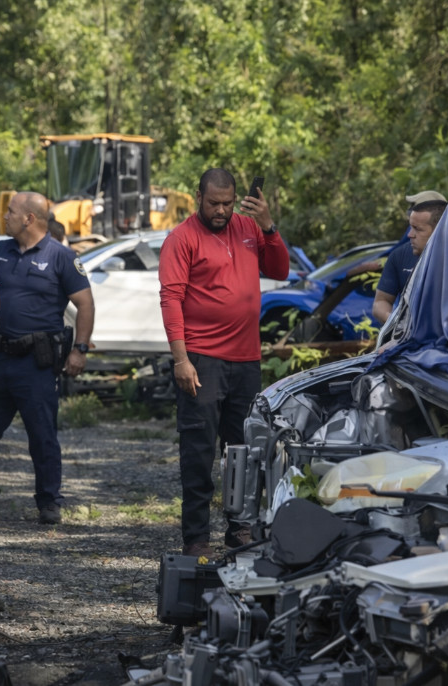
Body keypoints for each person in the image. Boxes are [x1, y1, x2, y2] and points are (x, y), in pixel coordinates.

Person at [158, 169, 290, 558]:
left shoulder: (249, 228)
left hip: (246, 359)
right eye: (214, 203)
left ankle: (239, 528)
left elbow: (280, 269)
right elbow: (171, 300)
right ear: (198, 196)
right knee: (199, 451)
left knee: (244, 451)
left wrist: (268, 225)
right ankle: (196, 537)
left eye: (228, 203)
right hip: (202, 360)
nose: (221, 210)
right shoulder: (182, 239)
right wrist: (181, 359)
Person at [0, 192, 95, 525]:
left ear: (30, 218)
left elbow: (85, 305)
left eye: (12, 212)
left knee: (42, 436)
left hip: (37, 363)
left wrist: (80, 349)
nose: (6, 217)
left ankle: (48, 502)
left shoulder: (61, 257)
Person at [372, 190, 448, 324]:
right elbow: (380, 302)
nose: (410, 235)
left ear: (439, 227)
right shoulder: (399, 255)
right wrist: (397, 325)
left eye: (418, 229)